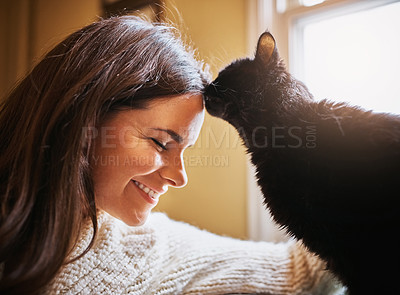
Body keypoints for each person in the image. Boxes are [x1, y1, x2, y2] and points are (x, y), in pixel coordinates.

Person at [0, 16, 343, 295]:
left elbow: (298, 272)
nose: (179, 178)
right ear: (83, 121)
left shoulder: (150, 245)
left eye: (185, 151)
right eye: (162, 143)